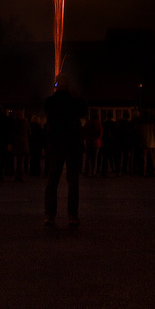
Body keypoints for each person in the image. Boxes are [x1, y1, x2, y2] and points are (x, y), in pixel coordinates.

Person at [43, 74, 86, 226]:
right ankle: (72, 215)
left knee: (53, 179)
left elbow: (48, 115)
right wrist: (77, 97)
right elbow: (83, 111)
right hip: (72, 144)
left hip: (56, 144)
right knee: (73, 181)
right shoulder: (73, 102)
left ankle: (49, 214)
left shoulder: (51, 102)